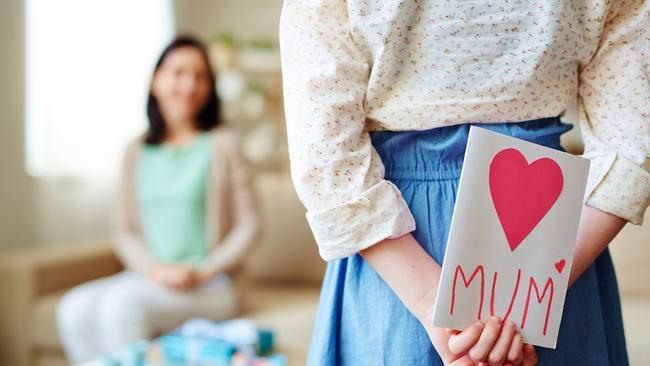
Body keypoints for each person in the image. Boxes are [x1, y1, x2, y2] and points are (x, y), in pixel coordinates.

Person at [279, 0, 648, 365]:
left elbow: (325, 153)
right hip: (550, 244)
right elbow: (634, 144)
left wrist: (432, 304)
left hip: (399, 255)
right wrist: (525, 302)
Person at [56, 36, 261, 363]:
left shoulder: (224, 145)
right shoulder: (134, 151)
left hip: (212, 285)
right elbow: (124, 230)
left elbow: (250, 227)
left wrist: (204, 271)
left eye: (200, 76)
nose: (189, 84)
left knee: (121, 307)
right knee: (72, 308)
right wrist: (154, 270)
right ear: (156, 80)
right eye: (178, 72)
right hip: (150, 278)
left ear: (210, 87)